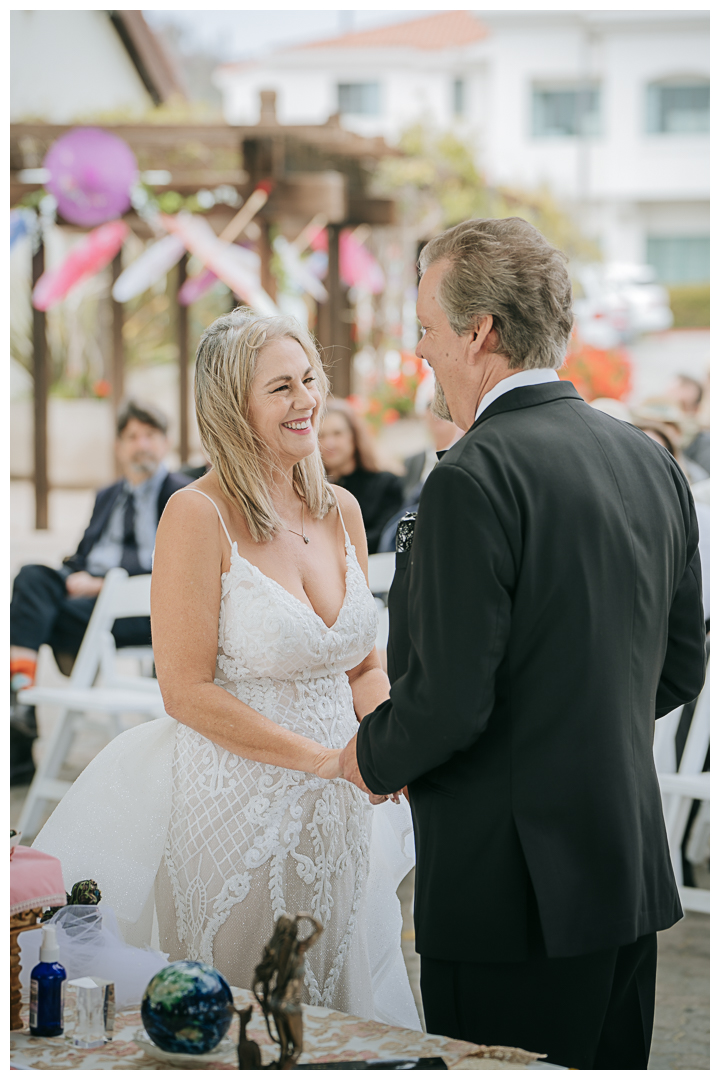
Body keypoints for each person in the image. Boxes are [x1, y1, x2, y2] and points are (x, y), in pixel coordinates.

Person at [339, 217, 706, 1069]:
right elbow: (683, 658)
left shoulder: (470, 477)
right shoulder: (650, 461)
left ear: (480, 333)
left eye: (427, 327)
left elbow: (446, 703)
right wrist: (576, 714)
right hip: (624, 872)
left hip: (508, 891)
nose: (419, 348)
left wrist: (366, 759)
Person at [33, 309, 420, 1030]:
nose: (307, 400)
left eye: (309, 379)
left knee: (328, 1005)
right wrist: (322, 760)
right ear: (231, 406)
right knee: (235, 1011)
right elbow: (184, 689)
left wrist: (383, 742)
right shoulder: (195, 513)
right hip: (238, 804)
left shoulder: (340, 507)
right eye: (281, 387)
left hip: (341, 803)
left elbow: (363, 659)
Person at [10, 400, 189, 785]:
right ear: (119, 447)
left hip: (137, 613)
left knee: (27, 616)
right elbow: (82, 557)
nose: (141, 445)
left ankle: (17, 705)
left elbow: (178, 566)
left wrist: (105, 584)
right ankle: (19, 688)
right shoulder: (107, 495)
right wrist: (70, 578)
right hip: (87, 605)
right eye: (132, 437)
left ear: (166, 442)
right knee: (31, 578)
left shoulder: (183, 495)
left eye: (150, 435)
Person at [319, 399, 404, 554]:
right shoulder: (312, 491)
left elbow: (382, 539)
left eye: (337, 433)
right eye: (321, 435)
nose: (329, 443)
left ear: (354, 436)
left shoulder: (386, 484)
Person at [665, 373, 710, 475]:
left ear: (696, 410)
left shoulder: (706, 447)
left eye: (682, 405)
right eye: (668, 403)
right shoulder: (651, 435)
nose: (674, 412)